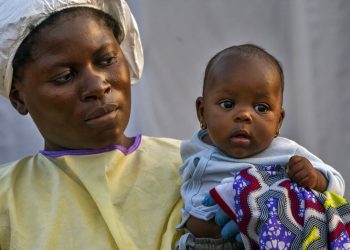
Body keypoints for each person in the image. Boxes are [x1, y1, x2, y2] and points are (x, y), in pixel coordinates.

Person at [0, 0, 185, 249]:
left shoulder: (193, 168)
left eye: (107, 60)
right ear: (18, 97)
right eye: (64, 76)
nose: (98, 86)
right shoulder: (7, 200)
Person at [177, 44, 349, 249]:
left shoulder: (285, 152)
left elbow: (337, 183)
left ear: (278, 122)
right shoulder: (193, 147)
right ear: (202, 112)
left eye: (261, 108)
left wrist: (315, 177)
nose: (244, 115)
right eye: (227, 104)